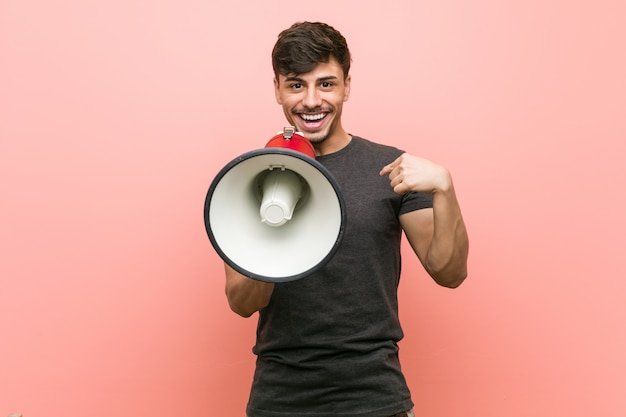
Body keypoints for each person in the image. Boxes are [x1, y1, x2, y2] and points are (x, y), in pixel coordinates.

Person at [223, 21, 469, 417]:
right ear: (277, 90)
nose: (311, 101)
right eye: (296, 85)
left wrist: (446, 189)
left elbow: (450, 272)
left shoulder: (390, 168)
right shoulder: (251, 176)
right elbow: (241, 303)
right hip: (281, 399)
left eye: (326, 84)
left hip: (376, 398)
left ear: (347, 86)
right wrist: (269, 222)